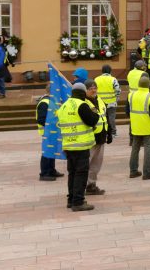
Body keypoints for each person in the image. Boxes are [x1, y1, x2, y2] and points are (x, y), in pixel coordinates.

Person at [58, 83, 99, 211]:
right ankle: (78, 202)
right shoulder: (82, 105)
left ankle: (71, 199)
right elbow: (92, 120)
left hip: (68, 145)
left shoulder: (64, 106)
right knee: (81, 174)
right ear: (82, 93)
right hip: (81, 146)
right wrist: (95, 112)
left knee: (72, 173)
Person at [127, 76, 150, 181]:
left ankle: (133, 171)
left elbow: (127, 112)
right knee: (148, 149)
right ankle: (147, 173)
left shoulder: (131, 96)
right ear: (149, 85)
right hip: (148, 127)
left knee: (135, 148)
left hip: (136, 126)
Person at [84, 80, 112, 195]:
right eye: (90, 88)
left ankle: (91, 185)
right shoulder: (83, 103)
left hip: (101, 137)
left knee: (96, 163)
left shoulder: (100, 100)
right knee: (87, 163)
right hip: (90, 138)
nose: (94, 90)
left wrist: (109, 132)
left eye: (95, 87)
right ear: (85, 90)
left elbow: (105, 117)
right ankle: (84, 185)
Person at [36, 94, 64, 181]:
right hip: (47, 132)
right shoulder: (45, 103)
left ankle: (51, 170)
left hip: (53, 132)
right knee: (47, 152)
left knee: (52, 151)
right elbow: (41, 119)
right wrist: (51, 126)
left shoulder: (53, 102)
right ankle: (44, 173)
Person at [95, 65, 120, 138]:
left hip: (100, 103)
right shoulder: (113, 79)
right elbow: (117, 90)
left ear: (102, 71)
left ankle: (104, 132)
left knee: (102, 118)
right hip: (111, 102)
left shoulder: (96, 79)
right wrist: (117, 97)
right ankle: (113, 132)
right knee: (111, 118)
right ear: (110, 71)